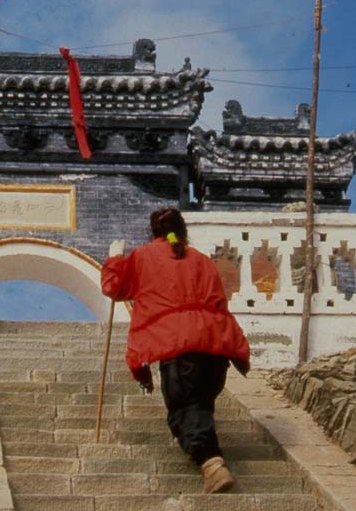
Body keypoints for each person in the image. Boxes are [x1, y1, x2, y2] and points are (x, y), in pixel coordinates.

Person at [101, 207, 251, 494]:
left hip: (178, 344)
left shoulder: (144, 256)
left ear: (153, 232)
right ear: (183, 230)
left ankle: (212, 465)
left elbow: (114, 288)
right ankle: (203, 450)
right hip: (215, 344)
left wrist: (115, 259)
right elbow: (220, 302)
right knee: (200, 403)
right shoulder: (202, 260)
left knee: (185, 407)